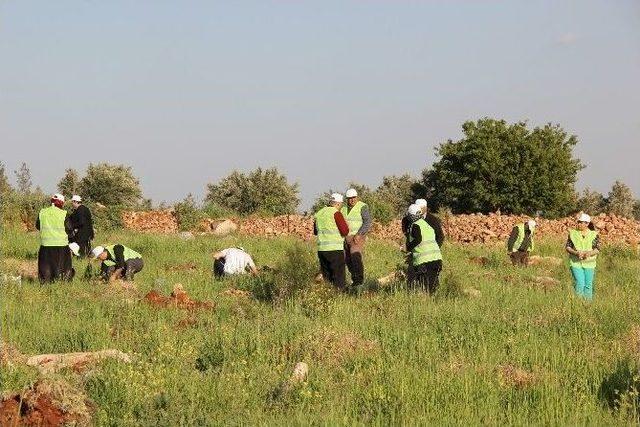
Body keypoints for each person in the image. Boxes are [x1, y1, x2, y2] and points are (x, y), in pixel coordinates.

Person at [405, 203, 444, 293]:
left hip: (424, 261)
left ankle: (426, 303)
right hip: (437, 259)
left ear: (411, 215)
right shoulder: (426, 225)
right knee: (433, 287)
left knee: (424, 288)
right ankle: (436, 302)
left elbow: (418, 239)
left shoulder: (415, 225)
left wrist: (408, 247)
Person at [36, 193, 74, 283]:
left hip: (45, 246)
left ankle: (45, 283)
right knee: (62, 268)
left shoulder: (42, 212)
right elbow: (69, 229)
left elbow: (38, 226)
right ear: (61, 203)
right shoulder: (64, 214)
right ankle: (62, 283)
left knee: (45, 267)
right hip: (61, 246)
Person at [313, 193, 349, 289]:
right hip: (335, 250)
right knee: (338, 277)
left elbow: (315, 231)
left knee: (327, 276)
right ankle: (339, 298)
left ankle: (328, 294)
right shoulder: (336, 213)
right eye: (341, 204)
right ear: (337, 204)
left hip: (321, 250)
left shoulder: (319, 213)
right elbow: (345, 231)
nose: (341, 207)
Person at [341, 188, 372, 288]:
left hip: (357, 237)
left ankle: (359, 280)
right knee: (347, 259)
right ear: (347, 199)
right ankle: (354, 279)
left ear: (357, 197)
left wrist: (359, 234)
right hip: (346, 238)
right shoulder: (343, 208)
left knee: (355, 256)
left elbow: (367, 222)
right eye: (349, 198)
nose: (352, 200)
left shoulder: (362, 206)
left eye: (354, 198)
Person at [565, 213, 600, 300]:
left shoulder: (594, 234)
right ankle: (578, 303)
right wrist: (576, 253)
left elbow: (597, 249)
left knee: (588, 285)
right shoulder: (572, 233)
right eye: (578, 222)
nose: (579, 224)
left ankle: (587, 304)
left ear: (587, 223)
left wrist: (589, 253)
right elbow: (568, 247)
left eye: (581, 222)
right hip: (575, 263)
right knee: (580, 283)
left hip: (589, 264)